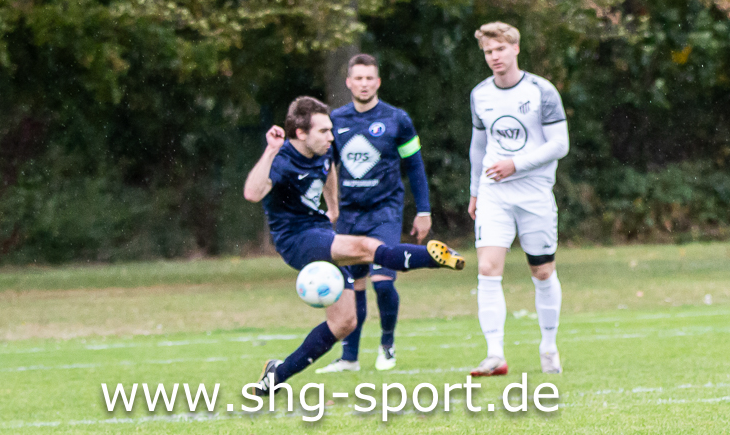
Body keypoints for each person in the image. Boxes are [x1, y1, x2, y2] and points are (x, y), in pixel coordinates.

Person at [243, 96, 465, 394]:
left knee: (345, 322)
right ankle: (432, 257)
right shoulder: (281, 160)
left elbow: (328, 170)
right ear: (300, 133)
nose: (331, 136)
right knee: (366, 247)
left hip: (320, 229)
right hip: (296, 240)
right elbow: (252, 193)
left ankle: (275, 375)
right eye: (324, 131)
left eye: (331, 129)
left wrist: (333, 207)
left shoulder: (322, 151)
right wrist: (270, 150)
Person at [315, 54, 432, 374]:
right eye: (358, 78)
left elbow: (415, 166)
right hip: (350, 216)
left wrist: (423, 210)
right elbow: (325, 167)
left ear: (378, 82)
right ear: (349, 82)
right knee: (352, 286)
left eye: (370, 78)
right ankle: (350, 358)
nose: (364, 84)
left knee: (382, 281)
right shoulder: (335, 120)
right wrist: (327, 207)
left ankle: (387, 345)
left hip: (385, 212)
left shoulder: (397, 120)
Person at [467, 22, 569, 376]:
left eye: (500, 49)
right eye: (488, 52)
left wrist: (516, 164)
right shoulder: (480, 94)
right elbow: (478, 146)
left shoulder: (542, 91)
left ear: (515, 49)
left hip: (535, 192)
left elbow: (560, 144)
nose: (494, 57)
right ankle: (495, 354)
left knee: (542, 271)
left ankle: (549, 346)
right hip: (494, 192)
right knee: (487, 268)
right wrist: (474, 190)